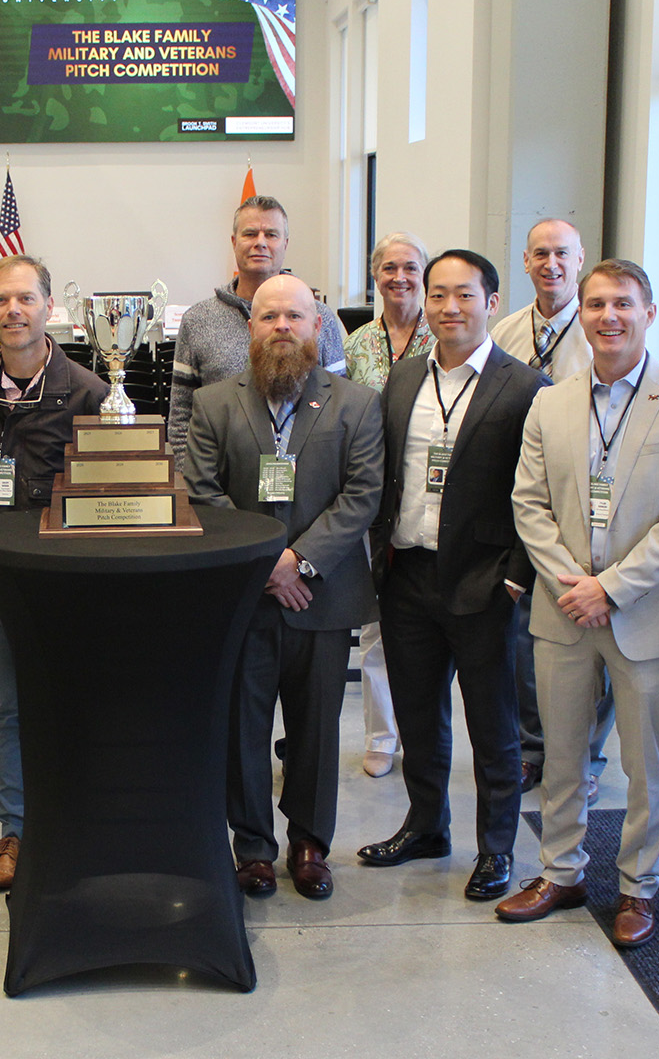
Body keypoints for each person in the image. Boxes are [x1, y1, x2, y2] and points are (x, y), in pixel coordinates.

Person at [497, 259, 659, 948]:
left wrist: (611, 588)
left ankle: (638, 887)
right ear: (583, 314)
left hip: (644, 615)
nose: (608, 317)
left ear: (649, 312)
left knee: (644, 765)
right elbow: (527, 503)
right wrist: (573, 584)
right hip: (563, 612)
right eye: (595, 304)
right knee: (561, 755)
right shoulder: (550, 402)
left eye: (623, 303)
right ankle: (561, 872)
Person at [183, 274, 384, 901]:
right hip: (243, 598)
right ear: (250, 327)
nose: (281, 328)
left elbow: (362, 495)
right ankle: (253, 848)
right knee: (243, 726)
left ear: (317, 326)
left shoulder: (355, 404)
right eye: (269, 317)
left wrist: (302, 561)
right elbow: (201, 491)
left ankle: (309, 843)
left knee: (318, 727)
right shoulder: (216, 402)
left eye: (294, 317)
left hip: (322, 597)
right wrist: (269, 564)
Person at [358, 250, 546, 902]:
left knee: (493, 726)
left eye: (463, 295)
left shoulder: (524, 388)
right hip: (407, 572)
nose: (448, 308)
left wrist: (519, 577)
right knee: (418, 714)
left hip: (486, 580)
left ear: (492, 301)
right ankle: (426, 826)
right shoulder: (405, 379)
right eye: (437, 295)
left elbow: (538, 492)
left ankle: (497, 848)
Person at [0, 255, 109, 891]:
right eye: (0, 300)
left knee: (70, 708)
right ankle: (15, 834)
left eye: (26, 299)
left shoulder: (90, 393)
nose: (12, 311)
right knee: (8, 711)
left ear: (49, 307)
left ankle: (74, 828)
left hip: (60, 585)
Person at [489, 218, 611, 798]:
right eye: (540, 253)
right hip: (526, 507)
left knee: (596, 643)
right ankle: (533, 749)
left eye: (562, 253)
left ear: (580, 257)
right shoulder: (506, 332)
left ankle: (587, 756)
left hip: (591, 509)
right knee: (524, 644)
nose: (551, 264)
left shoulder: (603, 332)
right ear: (525, 260)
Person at [342, 232, 437, 780]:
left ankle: (422, 732)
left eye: (410, 267)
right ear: (374, 275)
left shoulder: (443, 337)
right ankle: (381, 735)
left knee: (424, 626)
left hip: (427, 496)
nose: (399, 277)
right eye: (388, 268)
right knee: (376, 622)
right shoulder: (356, 344)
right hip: (368, 495)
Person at [168, 195, 349, 469]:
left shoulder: (320, 317)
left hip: (310, 482)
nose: (260, 242)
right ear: (234, 242)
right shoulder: (198, 320)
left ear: (285, 243)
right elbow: (182, 416)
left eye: (272, 234)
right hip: (222, 485)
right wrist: (196, 484)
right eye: (250, 233)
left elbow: (340, 407)